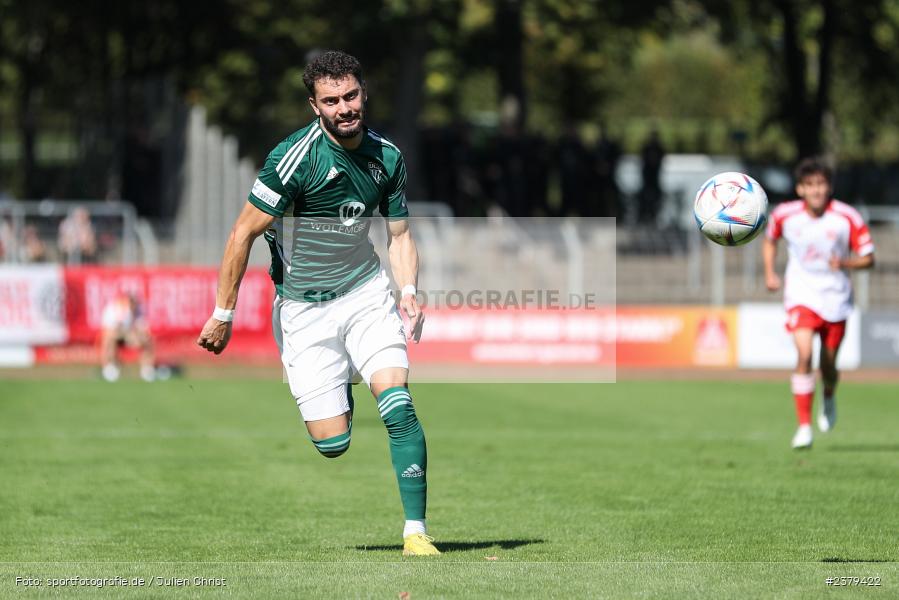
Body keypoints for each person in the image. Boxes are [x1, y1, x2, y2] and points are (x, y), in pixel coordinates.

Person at [196, 51, 437, 556]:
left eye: (351, 95)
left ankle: (415, 532)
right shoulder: (294, 159)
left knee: (397, 404)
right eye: (331, 101)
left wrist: (409, 292)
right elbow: (242, 233)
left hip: (365, 293)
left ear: (363, 93)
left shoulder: (388, 157)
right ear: (314, 106)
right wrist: (223, 314)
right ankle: (343, 379)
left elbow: (399, 236)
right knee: (332, 444)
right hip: (304, 309)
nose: (344, 108)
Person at [764, 157, 875, 449]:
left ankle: (828, 393)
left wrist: (845, 263)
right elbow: (769, 239)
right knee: (804, 355)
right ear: (800, 189)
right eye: (810, 185)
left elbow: (869, 258)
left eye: (821, 184)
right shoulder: (784, 215)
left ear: (830, 187)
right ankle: (803, 427)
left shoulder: (847, 217)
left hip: (836, 297)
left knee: (828, 365)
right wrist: (770, 273)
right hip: (801, 295)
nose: (816, 190)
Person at [100, 293, 156, 382]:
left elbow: (142, 328)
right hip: (116, 335)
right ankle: (110, 368)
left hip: (129, 335)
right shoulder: (115, 309)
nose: (133, 306)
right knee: (109, 339)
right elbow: (110, 329)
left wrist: (138, 336)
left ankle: (147, 370)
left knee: (147, 340)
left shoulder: (138, 310)